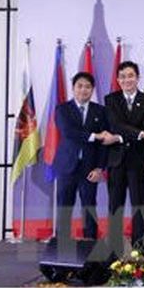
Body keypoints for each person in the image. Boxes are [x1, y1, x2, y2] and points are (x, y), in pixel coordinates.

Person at [103, 61, 144, 256]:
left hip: (138, 160)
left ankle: (140, 250)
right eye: (122, 76)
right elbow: (115, 125)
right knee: (115, 206)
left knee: (139, 204)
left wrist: (121, 136)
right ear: (118, 79)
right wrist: (137, 135)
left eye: (130, 76)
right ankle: (114, 251)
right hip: (116, 160)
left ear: (137, 78)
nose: (126, 80)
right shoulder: (111, 99)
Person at [53, 72, 110, 248]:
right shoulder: (62, 109)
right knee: (64, 206)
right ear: (73, 88)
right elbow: (68, 133)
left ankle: (91, 245)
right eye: (80, 86)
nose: (83, 90)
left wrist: (100, 168)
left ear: (92, 90)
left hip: (89, 168)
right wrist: (95, 136)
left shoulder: (100, 111)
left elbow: (103, 144)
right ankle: (61, 245)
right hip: (66, 166)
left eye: (87, 87)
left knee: (89, 206)